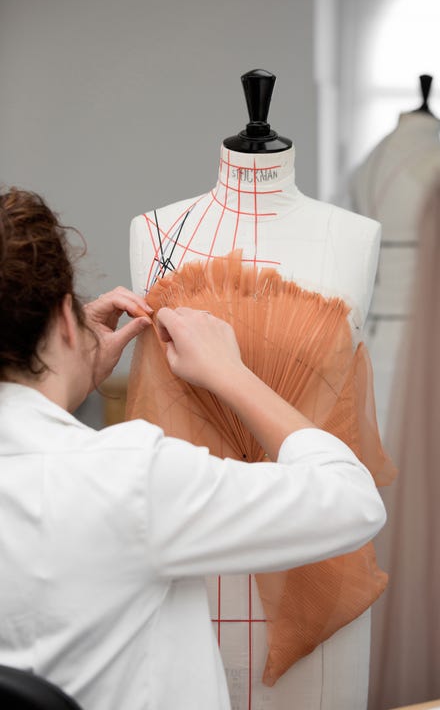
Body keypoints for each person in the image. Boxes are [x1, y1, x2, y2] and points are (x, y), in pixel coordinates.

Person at [0, 187, 386, 710]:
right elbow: (351, 500)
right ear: (68, 321)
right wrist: (233, 375)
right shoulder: (127, 481)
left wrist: (66, 377)